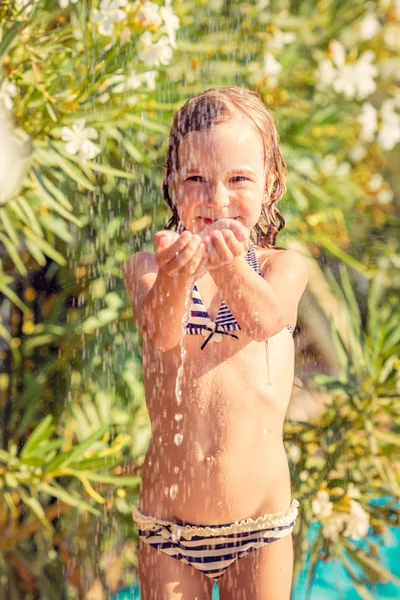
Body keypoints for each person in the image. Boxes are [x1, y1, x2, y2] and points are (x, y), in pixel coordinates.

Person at [124, 86, 309, 600]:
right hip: (168, 529)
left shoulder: (281, 267)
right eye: (197, 180)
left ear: (271, 181)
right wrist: (176, 278)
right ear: (173, 184)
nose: (217, 199)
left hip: (259, 529)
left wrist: (227, 262)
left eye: (239, 180)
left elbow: (264, 319)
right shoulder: (149, 268)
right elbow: (160, 333)